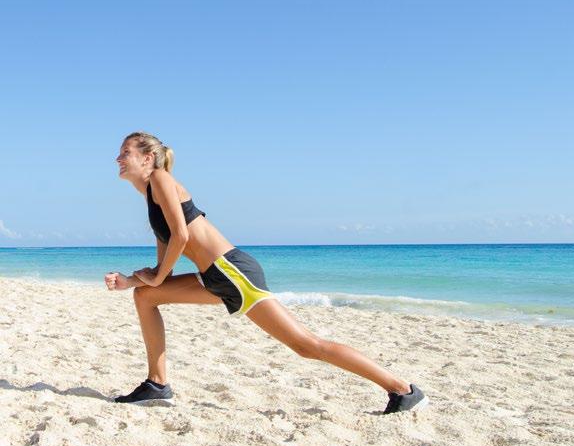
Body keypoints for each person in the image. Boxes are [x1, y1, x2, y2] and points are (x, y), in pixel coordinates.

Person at [105, 132, 427, 414]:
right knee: (145, 295)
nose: (118, 158)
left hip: (231, 271)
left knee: (306, 346)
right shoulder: (151, 196)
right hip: (213, 276)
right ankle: (157, 384)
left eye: (125, 152)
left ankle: (403, 390)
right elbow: (165, 260)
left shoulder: (160, 179)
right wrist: (133, 280)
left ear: (148, 158)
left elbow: (182, 236)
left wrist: (157, 277)